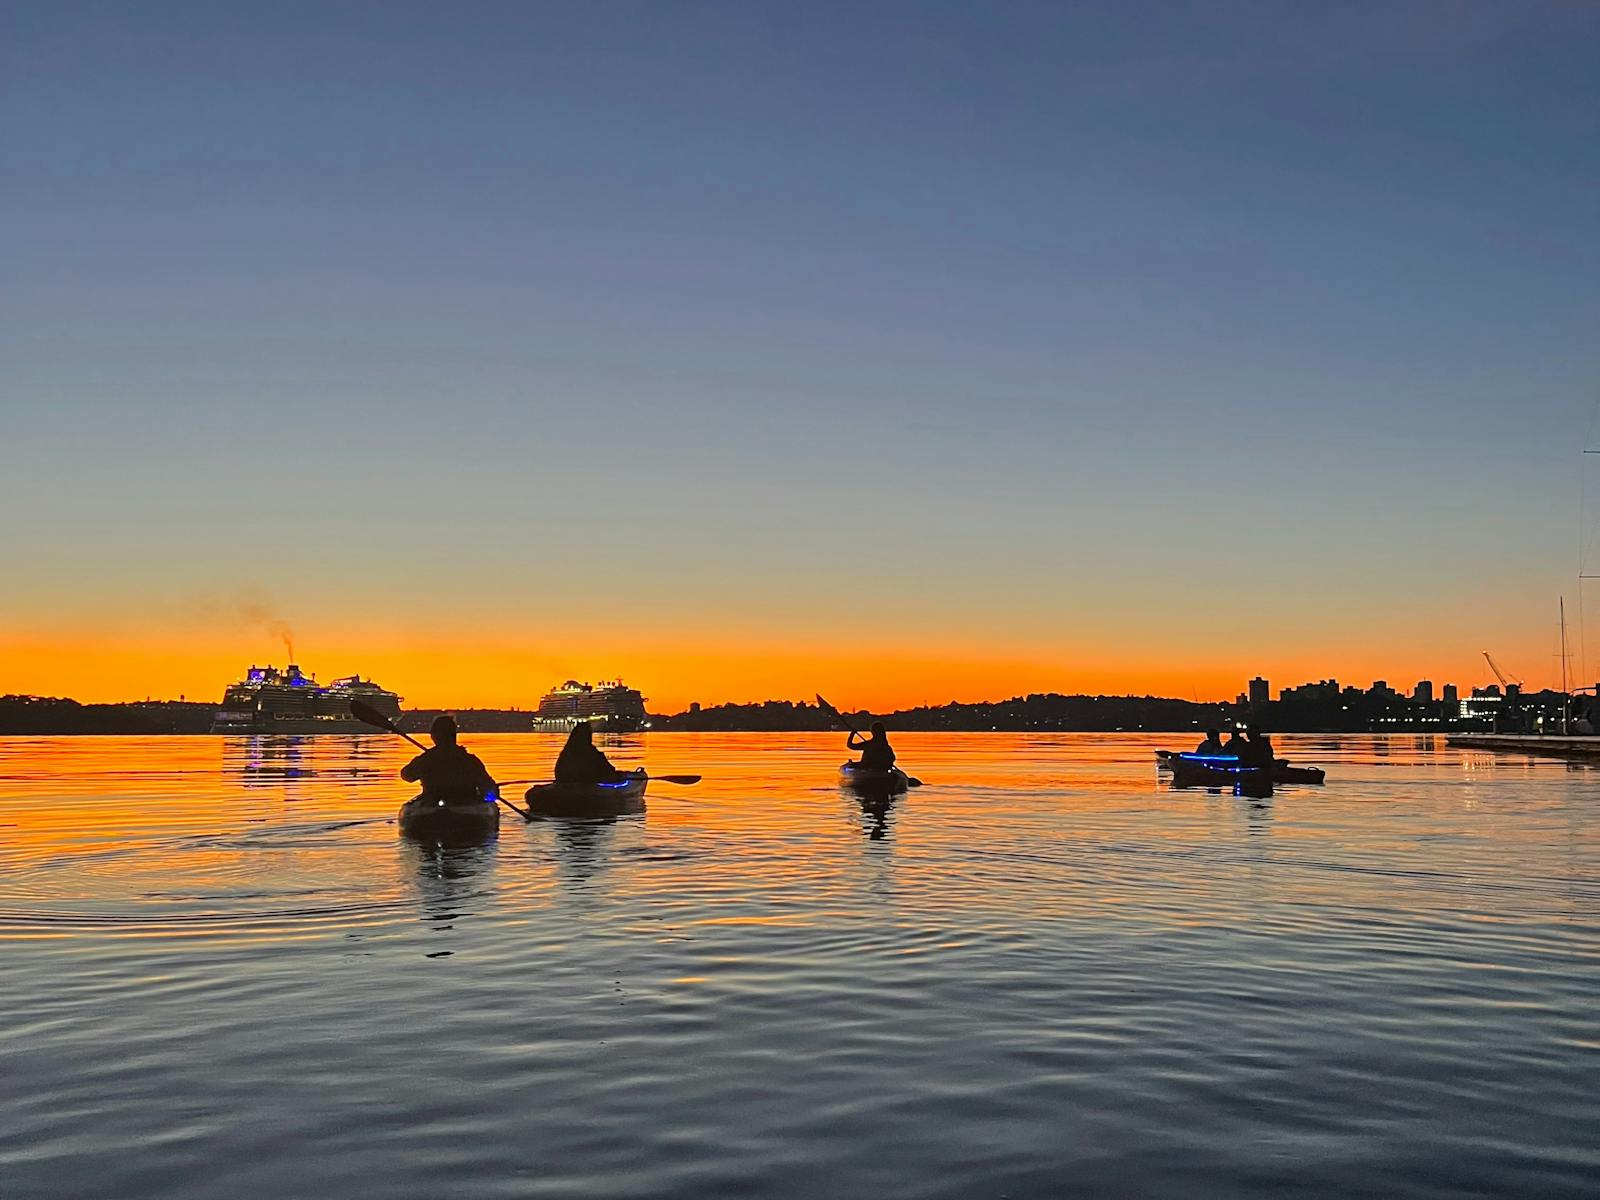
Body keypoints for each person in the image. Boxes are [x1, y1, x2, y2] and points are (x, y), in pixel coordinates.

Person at [400, 715, 498, 801]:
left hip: (432, 804)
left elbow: (407, 776)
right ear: (454, 735)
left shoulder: (425, 760)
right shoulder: (470, 761)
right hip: (465, 804)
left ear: (433, 736)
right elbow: (489, 789)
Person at [554, 721, 625, 785]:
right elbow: (607, 769)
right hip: (585, 783)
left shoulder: (566, 753)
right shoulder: (592, 753)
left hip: (566, 782)